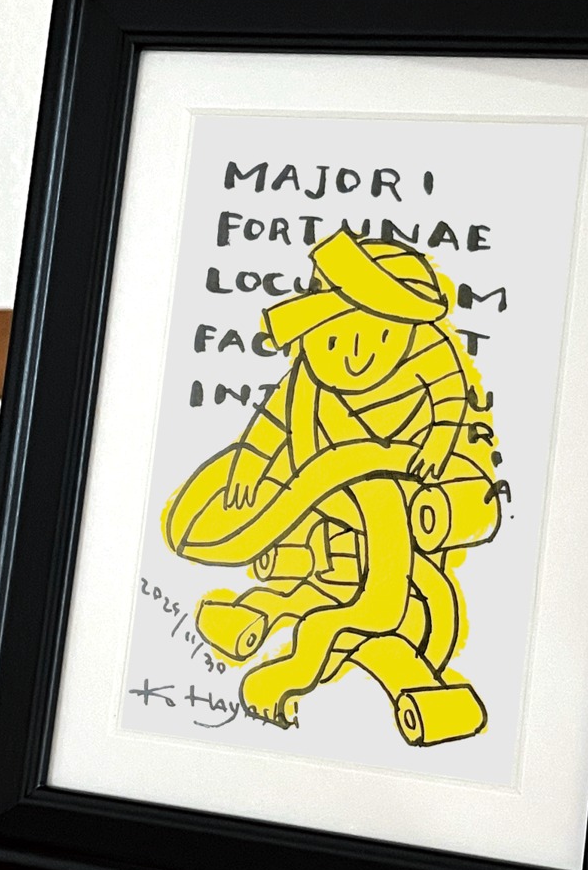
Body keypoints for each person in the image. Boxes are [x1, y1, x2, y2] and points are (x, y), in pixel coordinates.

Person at [163, 229, 500, 745]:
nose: (353, 358)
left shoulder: (429, 350)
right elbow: (272, 423)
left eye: (376, 339)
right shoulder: (305, 381)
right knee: (347, 587)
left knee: (385, 603)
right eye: (334, 342)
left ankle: (283, 633)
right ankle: (272, 614)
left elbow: (449, 394)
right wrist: (249, 464)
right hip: (327, 500)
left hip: (392, 484)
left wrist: (437, 439)